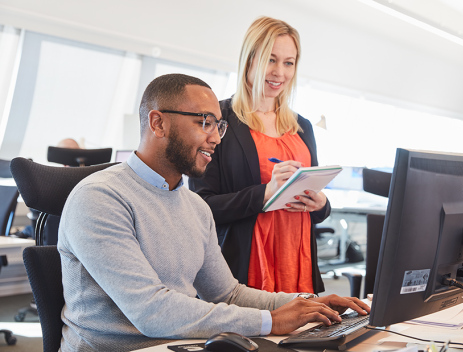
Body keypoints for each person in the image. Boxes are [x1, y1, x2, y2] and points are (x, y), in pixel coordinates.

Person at [57, 73, 369, 351]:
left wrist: (306, 303)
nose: (217, 138)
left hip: (178, 344)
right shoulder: (100, 198)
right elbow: (152, 311)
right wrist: (270, 321)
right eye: (204, 122)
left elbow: (228, 294)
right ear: (158, 123)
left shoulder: (195, 207)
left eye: (218, 125)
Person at [189, 17, 330, 294]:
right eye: (271, 60)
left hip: (297, 262)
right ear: (250, 60)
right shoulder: (218, 119)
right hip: (245, 265)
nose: (280, 72)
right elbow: (201, 207)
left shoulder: (303, 127)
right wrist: (266, 194)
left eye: (289, 63)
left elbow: (312, 208)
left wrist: (321, 204)